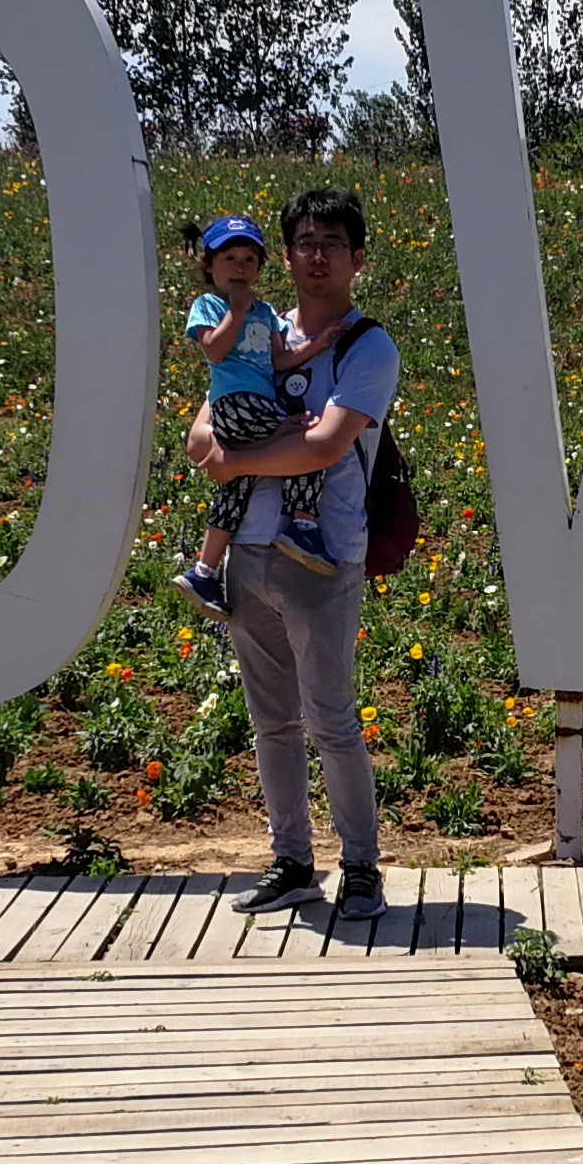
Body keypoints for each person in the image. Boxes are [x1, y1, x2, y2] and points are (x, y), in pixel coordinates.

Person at [193, 185, 397, 917]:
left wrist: (241, 459)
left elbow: (325, 445)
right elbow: (199, 433)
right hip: (248, 551)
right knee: (272, 719)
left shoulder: (368, 345)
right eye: (305, 243)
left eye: (331, 245)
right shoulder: (260, 331)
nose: (316, 256)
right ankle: (292, 861)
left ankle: (363, 867)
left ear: (356, 260)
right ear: (285, 256)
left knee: (333, 718)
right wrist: (229, 447)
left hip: (324, 556)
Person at [174, 213, 333, 618]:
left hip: (259, 403)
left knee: (236, 489)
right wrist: (236, 312)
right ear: (209, 265)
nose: (240, 267)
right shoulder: (209, 305)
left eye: (249, 259)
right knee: (303, 444)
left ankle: (204, 570)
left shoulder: (265, 313)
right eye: (229, 258)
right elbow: (214, 350)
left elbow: (281, 360)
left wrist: (320, 343)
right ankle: (302, 525)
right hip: (234, 403)